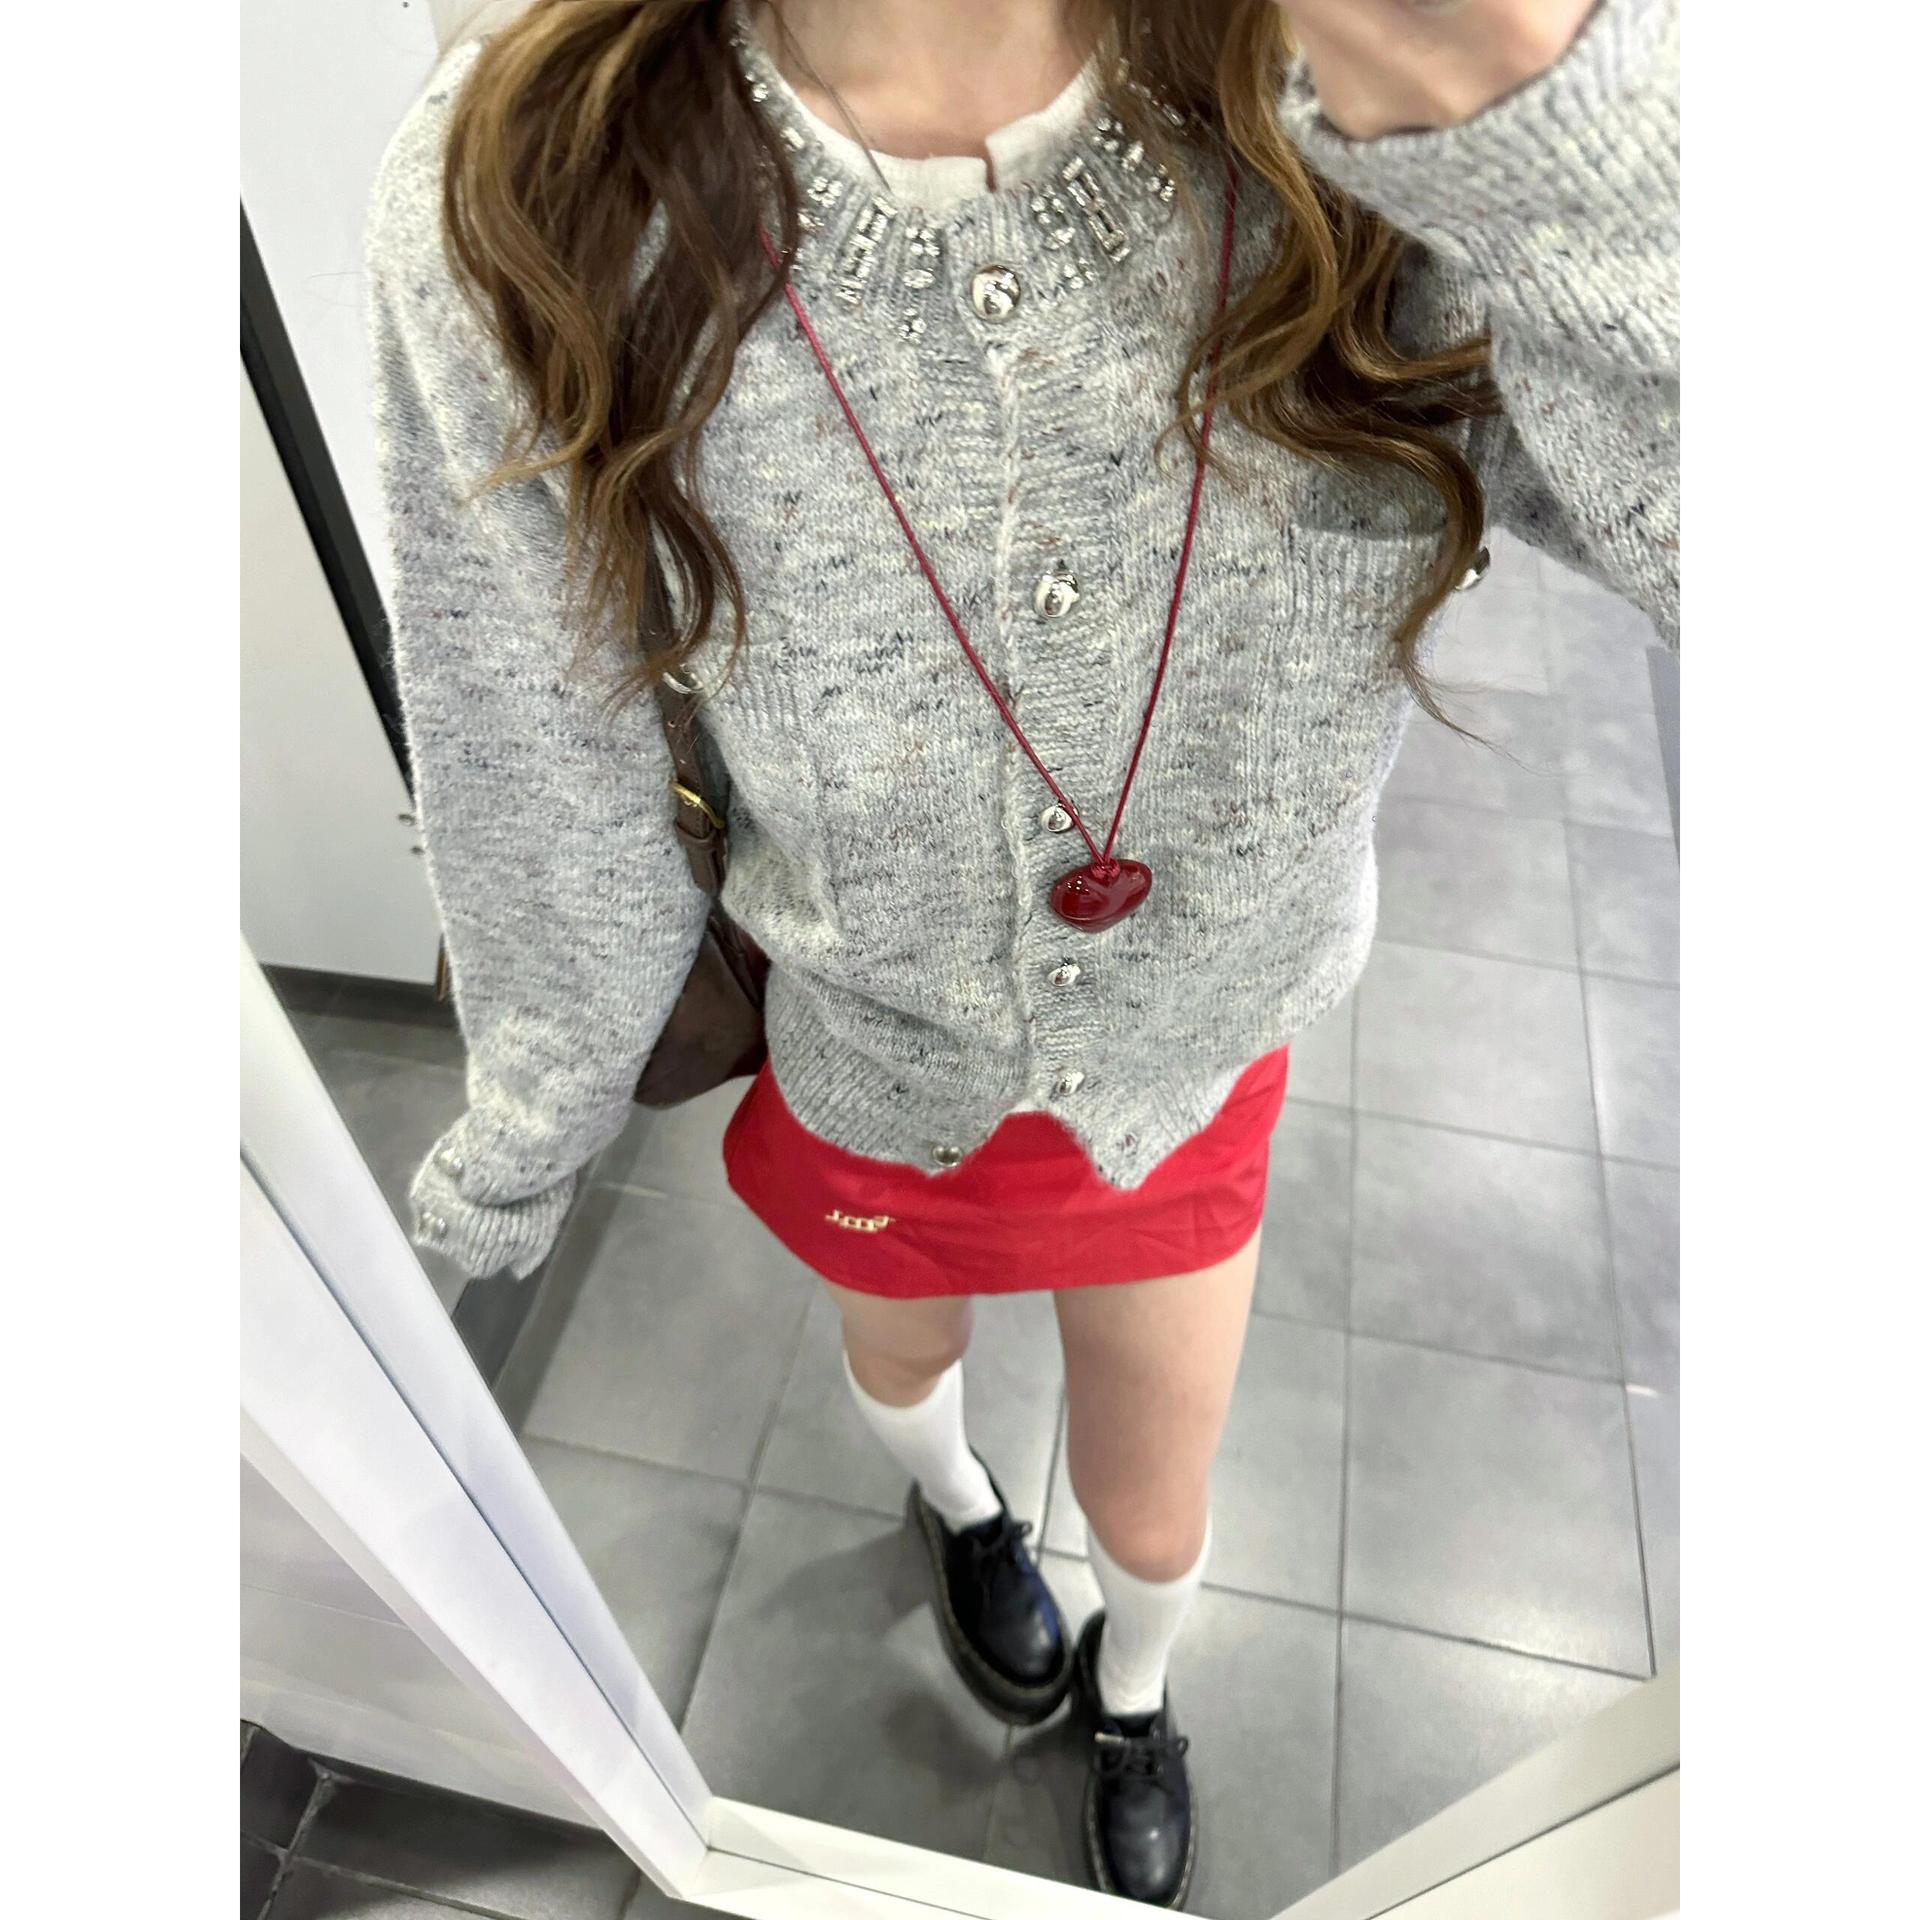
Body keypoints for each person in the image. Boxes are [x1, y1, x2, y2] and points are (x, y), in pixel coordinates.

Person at [365, 0, 1677, 1904]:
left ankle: (1136, 1698)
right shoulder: (526, 177)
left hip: (1194, 1062)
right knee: (900, 1364)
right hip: (872, 1052)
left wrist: (1531, 119)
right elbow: (534, 722)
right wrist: (532, 1118)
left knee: (1154, 1492)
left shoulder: (1370, 110)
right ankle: (967, 1514)